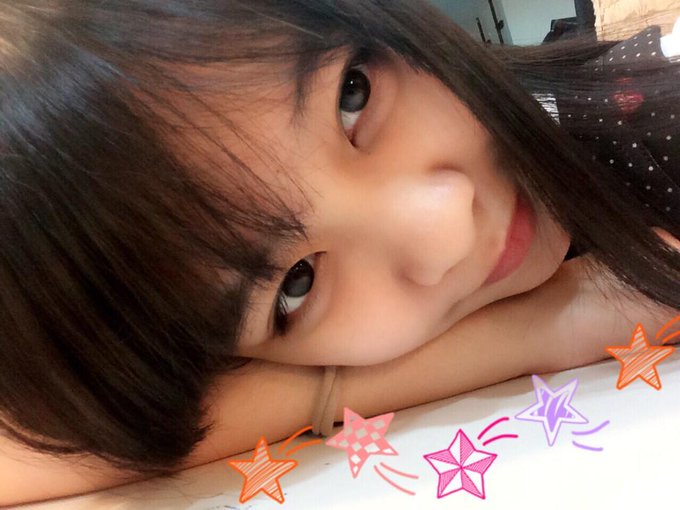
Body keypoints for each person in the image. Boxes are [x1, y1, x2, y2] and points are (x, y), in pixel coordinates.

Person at [0, 1, 678, 505]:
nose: (444, 228)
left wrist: (536, 328)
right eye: (297, 283)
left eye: (353, 95)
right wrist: (525, 332)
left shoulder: (656, 125)